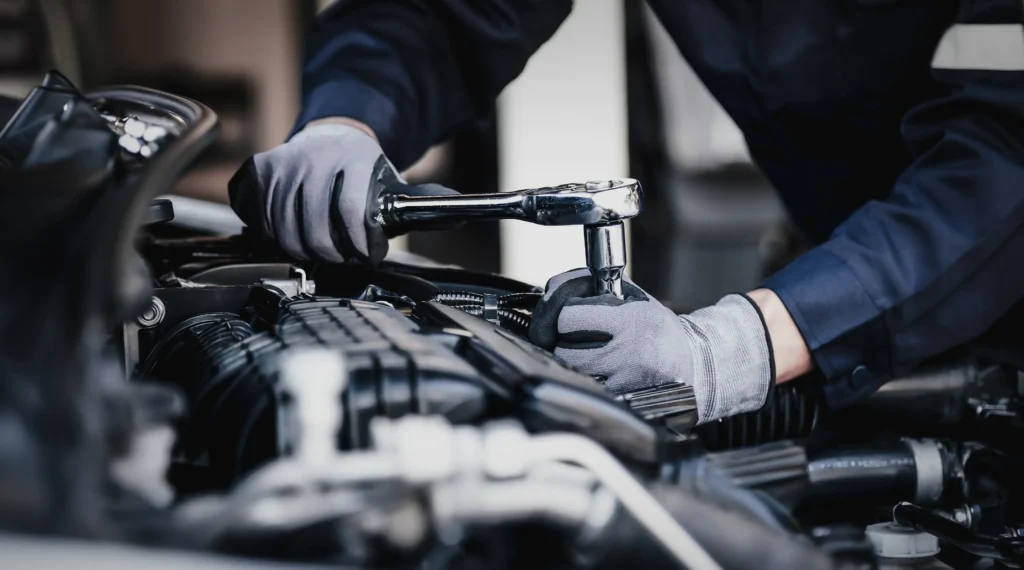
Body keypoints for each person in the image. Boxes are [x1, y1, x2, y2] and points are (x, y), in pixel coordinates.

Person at [229, 1, 1024, 425]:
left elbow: (1009, 150)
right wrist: (348, 119)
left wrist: (743, 346)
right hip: (846, 290)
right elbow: (440, 14)